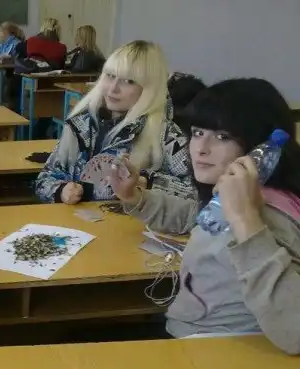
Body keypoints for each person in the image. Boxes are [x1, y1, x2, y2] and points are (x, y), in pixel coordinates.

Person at [109, 78, 300, 354]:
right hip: (197, 332)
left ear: (263, 147)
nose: (201, 148)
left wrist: (246, 220)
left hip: (213, 351)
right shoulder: (247, 194)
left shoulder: (268, 217)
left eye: (223, 137)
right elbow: (198, 216)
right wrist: (136, 198)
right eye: (198, 133)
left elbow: (294, 331)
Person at [35, 40, 194, 204]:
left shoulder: (167, 135)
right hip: (74, 218)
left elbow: (196, 192)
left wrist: (148, 182)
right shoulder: (81, 123)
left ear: (149, 89)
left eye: (129, 81)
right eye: (110, 76)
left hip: (127, 219)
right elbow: (45, 178)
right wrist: (61, 191)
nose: (113, 89)